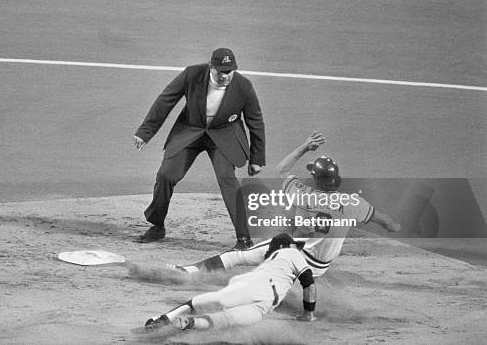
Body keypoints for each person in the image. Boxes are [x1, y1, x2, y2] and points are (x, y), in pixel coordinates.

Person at [171, 132, 401, 275]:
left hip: (298, 260)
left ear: (315, 178)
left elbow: (282, 169)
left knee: (238, 255)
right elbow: (385, 221)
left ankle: (189, 272)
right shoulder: (353, 202)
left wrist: (304, 147)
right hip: (322, 267)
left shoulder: (301, 192)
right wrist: (394, 227)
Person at [133, 48, 266, 250]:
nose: (224, 76)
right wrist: (145, 132)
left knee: (227, 179)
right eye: (220, 71)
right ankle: (157, 225)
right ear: (211, 67)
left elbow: (255, 121)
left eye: (228, 72)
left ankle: (244, 238)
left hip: (224, 136)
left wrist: (257, 158)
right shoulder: (192, 74)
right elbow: (165, 100)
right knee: (166, 175)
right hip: (190, 131)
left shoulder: (243, 86)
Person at [143, 233, 316, 331]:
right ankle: (191, 322)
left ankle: (169, 319)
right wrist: (308, 315)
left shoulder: (271, 257)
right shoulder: (291, 254)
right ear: (285, 248)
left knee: (212, 304)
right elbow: (309, 284)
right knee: (226, 319)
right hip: (261, 300)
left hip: (249, 287)